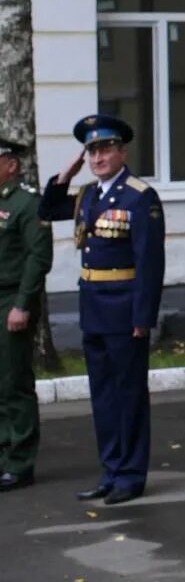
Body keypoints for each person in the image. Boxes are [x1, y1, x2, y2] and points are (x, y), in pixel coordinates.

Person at [40, 116, 165, 505]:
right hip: (93, 307)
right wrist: (67, 172)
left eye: (105, 149)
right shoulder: (88, 195)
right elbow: (49, 207)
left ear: (122, 151)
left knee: (128, 395)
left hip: (125, 310)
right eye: (92, 151)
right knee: (103, 397)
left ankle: (131, 475)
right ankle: (110, 471)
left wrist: (143, 318)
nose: (98, 157)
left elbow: (149, 263)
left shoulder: (139, 196)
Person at [0, 137, 52, 493]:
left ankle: (19, 463)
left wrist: (22, 305)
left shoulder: (27, 202)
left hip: (10, 301)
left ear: (10, 165)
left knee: (12, 382)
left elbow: (38, 258)